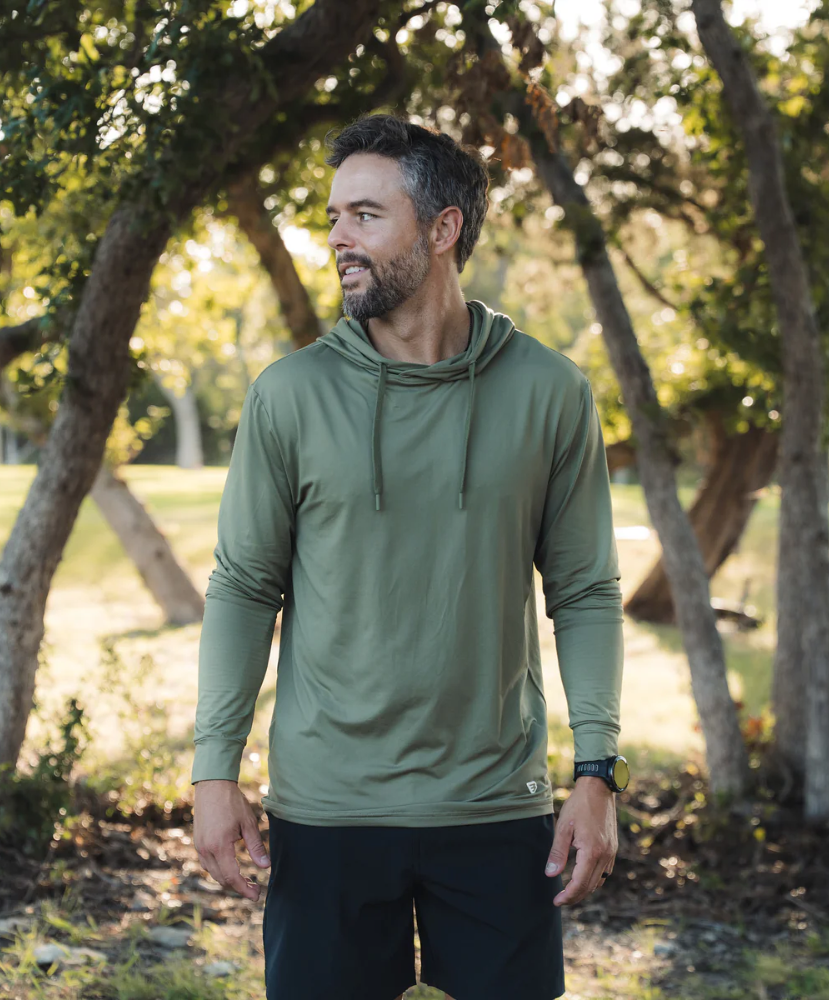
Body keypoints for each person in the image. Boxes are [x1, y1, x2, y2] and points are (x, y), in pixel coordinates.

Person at [191, 113, 626, 1000]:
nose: (337, 239)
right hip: (327, 812)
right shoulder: (291, 395)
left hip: (498, 809)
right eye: (333, 218)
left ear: (442, 229)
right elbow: (242, 588)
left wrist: (595, 774)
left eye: (364, 215)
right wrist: (213, 771)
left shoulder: (549, 391)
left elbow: (583, 590)